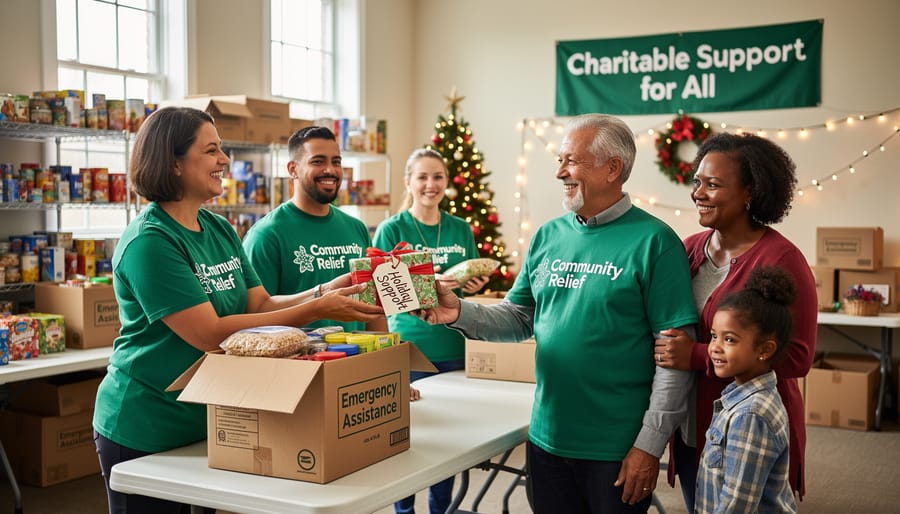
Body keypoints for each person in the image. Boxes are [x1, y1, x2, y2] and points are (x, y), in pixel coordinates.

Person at [92, 107, 384, 514]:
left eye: (222, 149)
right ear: (174, 162)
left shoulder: (218, 229)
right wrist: (317, 308)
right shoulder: (150, 241)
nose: (225, 160)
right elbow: (211, 333)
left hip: (211, 417)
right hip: (147, 424)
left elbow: (259, 304)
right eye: (211, 150)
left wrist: (324, 289)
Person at [417, 114, 698, 513]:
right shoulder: (548, 236)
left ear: (612, 168)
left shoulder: (656, 243)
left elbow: (675, 359)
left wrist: (649, 447)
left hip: (617, 448)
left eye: (571, 160)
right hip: (547, 439)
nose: (559, 171)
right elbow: (518, 318)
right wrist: (457, 312)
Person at [654, 132, 816, 510]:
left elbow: (798, 357)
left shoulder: (782, 259)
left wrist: (696, 356)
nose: (698, 193)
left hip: (748, 429)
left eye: (713, 184)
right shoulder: (689, 249)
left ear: (750, 192)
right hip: (693, 426)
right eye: (697, 182)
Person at [372, 148, 489, 514]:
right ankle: (403, 511)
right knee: (406, 441)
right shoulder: (393, 228)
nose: (430, 185)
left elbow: (468, 285)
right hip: (411, 347)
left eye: (437, 176)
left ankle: (442, 510)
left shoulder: (459, 228)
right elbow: (382, 290)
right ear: (408, 181)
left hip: (454, 347)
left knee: (447, 444)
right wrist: (431, 287)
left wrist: (475, 286)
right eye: (422, 177)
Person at [242, 125, 387, 332]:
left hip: (357, 358)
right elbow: (255, 313)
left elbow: (373, 306)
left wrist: (386, 354)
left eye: (336, 162)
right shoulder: (266, 235)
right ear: (293, 169)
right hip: (300, 362)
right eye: (318, 161)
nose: (330, 170)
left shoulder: (356, 228)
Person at [695, 266, 798, 513]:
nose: (715, 347)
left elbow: (737, 504)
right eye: (713, 336)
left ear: (765, 349)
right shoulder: (740, 397)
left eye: (729, 339)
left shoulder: (751, 415)